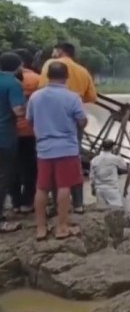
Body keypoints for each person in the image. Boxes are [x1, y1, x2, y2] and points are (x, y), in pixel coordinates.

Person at [27, 62, 87, 241]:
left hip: (44, 149)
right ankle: (61, 227)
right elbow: (82, 121)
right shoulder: (72, 97)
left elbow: (30, 120)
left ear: (48, 76)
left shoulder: (35, 97)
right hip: (66, 148)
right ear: (66, 76)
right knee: (64, 186)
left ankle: (40, 228)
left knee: (42, 187)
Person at [38, 43, 97, 214]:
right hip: (73, 120)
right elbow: (91, 96)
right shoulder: (82, 70)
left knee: (51, 162)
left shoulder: (49, 64)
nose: (52, 52)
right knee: (74, 159)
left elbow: (42, 88)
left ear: (61, 51)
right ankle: (78, 203)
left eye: (54, 49)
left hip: (50, 120)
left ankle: (57, 205)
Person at [11, 49, 40, 214]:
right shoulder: (37, 79)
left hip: (9, 131)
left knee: (10, 168)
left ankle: (15, 202)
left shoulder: (5, 80)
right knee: (30, 167)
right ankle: (28, 201)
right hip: (30, 131)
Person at [0, 53, 26, 233]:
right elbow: (18, 111)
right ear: (17, 67)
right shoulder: (13, 84)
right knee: (3, 178)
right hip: (4, 138)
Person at [89, 139, 127, 207]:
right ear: (112, 147)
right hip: (112, 188)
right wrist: (118, 154)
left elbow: (92, 176)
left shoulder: (95, 159)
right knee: (116, 211)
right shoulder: (114, 158)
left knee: (101, 213)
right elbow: (124, 166)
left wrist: (92, 188)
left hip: (99, 189)